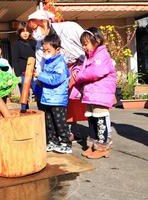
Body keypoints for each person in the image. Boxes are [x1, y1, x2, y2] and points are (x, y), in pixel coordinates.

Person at [28, 9, 91, 141]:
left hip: (84, 67)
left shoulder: (69, 27)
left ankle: (95, 134)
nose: (34, 33)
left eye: (35, 28)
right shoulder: (40, 43)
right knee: (65, 103)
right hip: (61, 73)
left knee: (90, 101)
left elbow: (89, 42)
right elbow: (40, 62)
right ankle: (70, 132)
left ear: (44, 22)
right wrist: (39, 78)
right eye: (32, 31)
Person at [70, 27, 116, 159]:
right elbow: (82, 68)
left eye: (86, 44)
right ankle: (93, 144)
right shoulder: (88, 57)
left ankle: (102, 146)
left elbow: (95, 72)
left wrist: (79, 75)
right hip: (91, 93)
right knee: (91, 118)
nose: (84, 47)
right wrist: (77, 70)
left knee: (100, 117)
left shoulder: (102, 55)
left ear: (97, 40)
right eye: (83, 45)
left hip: (101, 93)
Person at [35, 34, 72, 153]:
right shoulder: (48, 62)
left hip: (57, 99)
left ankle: (66, 143)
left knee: (60, 123)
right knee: (49, 121)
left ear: (57, 50)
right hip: (48, 98)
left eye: (48, 50)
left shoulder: (60, 63)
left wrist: (40, 76)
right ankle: (53, 141)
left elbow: (55, 79)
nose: (46, 53)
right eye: (44, 50)